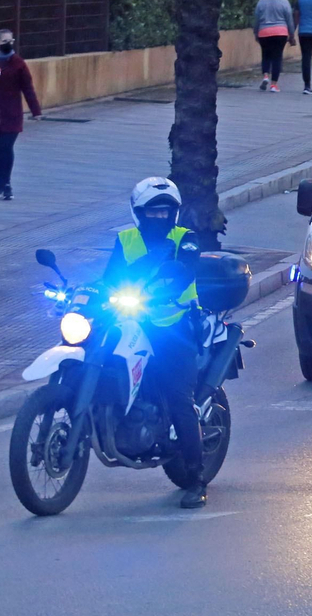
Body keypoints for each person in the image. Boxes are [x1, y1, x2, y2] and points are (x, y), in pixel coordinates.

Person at [104, 177, 208, 509]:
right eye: (152, 213)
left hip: (174, 326)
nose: (159, 218)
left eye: (165, 212)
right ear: (138, 213)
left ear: (174, 213)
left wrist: (164, 288)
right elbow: (109, 277)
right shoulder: (125, 239)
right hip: (131, 323)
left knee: (179, 397)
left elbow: (185, 272)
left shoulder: (185, 239)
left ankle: (196, 479)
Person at [0, 28, 42, 200]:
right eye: (4, 41)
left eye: (11, 41)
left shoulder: (18, 63)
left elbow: (27, 87)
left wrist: (36, 110)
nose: (8, 44)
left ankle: (6, 183)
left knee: (5, 148)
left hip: (11, 114)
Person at [253, 0, 296, 93]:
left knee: (265, 55)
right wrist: (292, 35)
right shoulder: (284, 2)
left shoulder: (262, 1)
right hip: (280, 33)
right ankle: (274, 85)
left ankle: (266, 75)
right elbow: (289, 20)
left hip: (264, 32)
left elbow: (257, 19)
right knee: (277, 57)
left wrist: (256, 32)